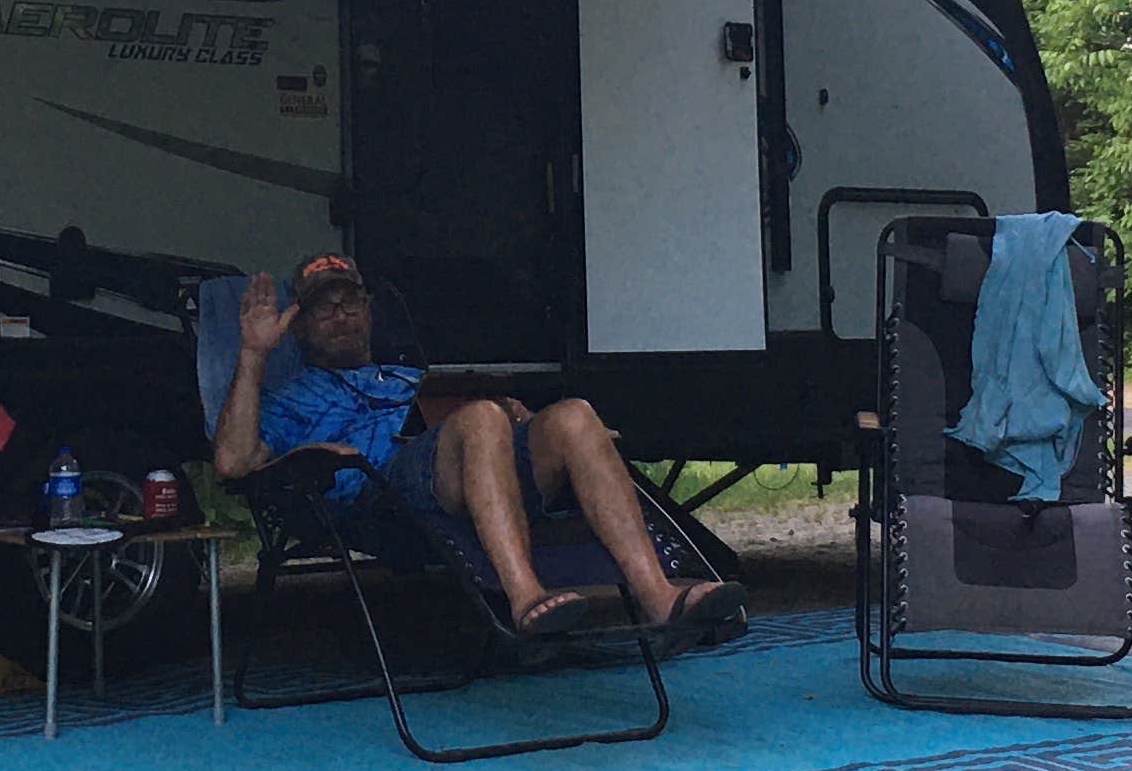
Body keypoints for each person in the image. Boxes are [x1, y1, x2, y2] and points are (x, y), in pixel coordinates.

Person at [211, 254, 747, 645]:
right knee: (479, 418)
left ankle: (658, 593)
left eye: (351, 302)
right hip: (384, 501)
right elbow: (232, 463)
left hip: (473, 478)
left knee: (573, 416)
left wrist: (523, 422)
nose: (342, 315)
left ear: (369, 312)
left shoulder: (410, 376)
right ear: (298, 326)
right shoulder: (288, 397)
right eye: (323, 309)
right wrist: (255, 353)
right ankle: (524, 597)